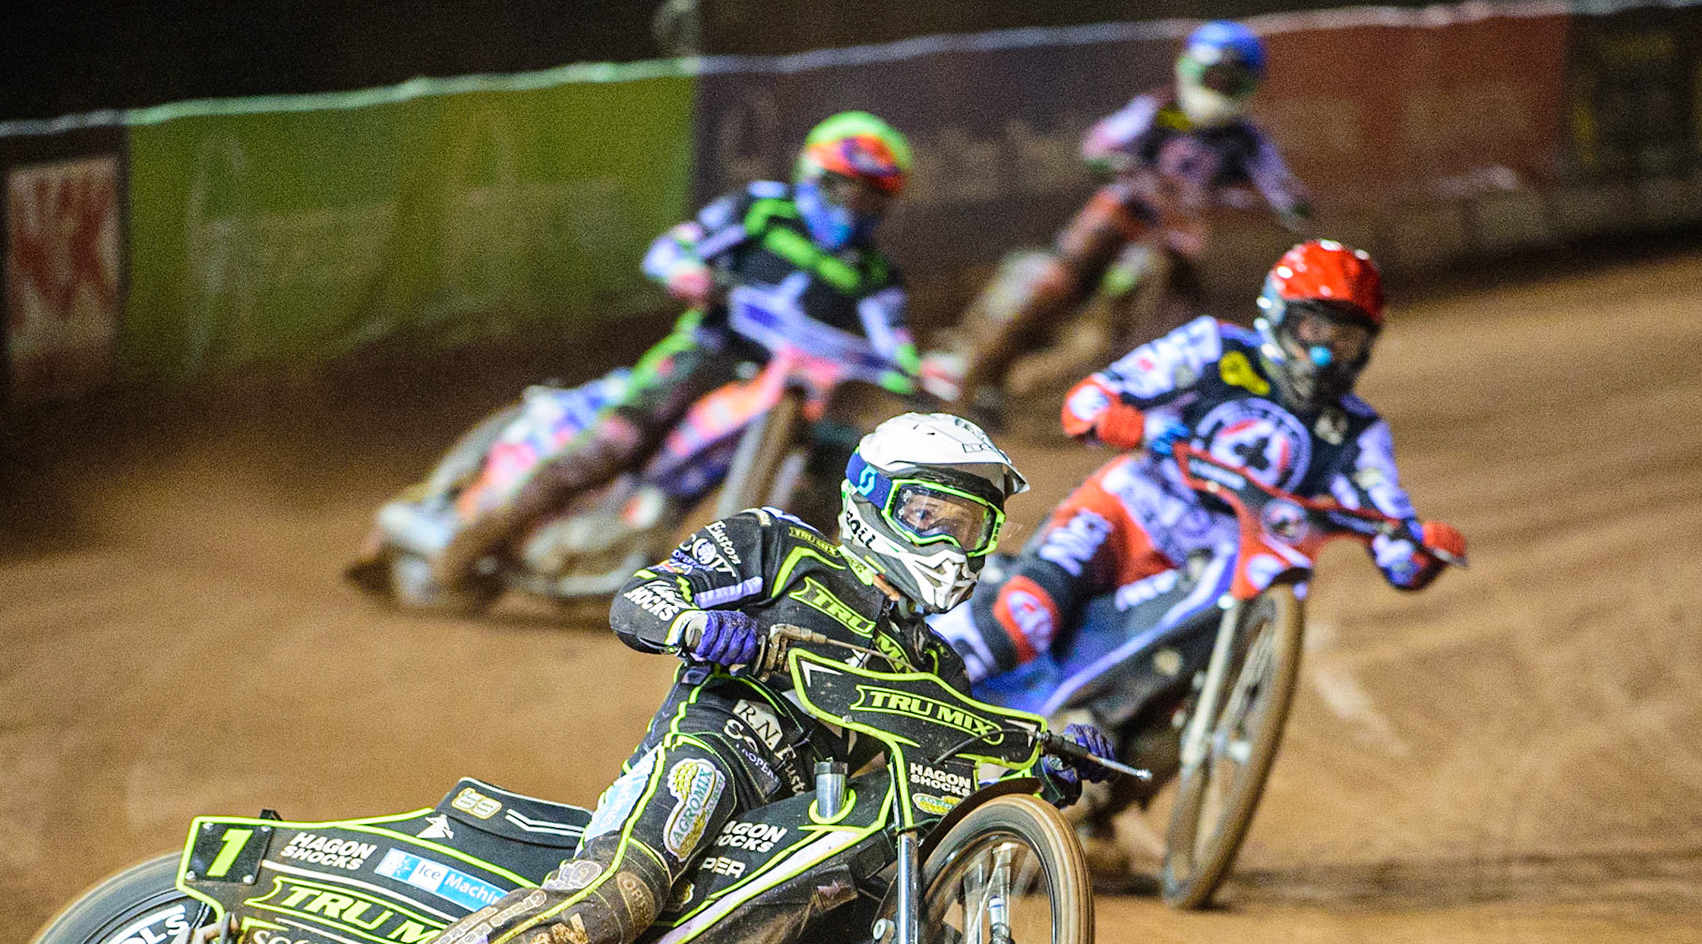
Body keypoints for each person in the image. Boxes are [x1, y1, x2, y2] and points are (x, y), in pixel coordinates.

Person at [287, 412, 1110, 944]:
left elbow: (959, 761)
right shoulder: (780, 547)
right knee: (620, 896)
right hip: (711, 753)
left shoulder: (934, 668)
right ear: (872, 501)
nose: (952, 545)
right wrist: (698, 625)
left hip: (803, 829)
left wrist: (1041, 764)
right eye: (932, 517)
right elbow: (640, 598)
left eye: (970, 528)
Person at [936, 240, 1467, 684]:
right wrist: (1135, 426)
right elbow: (1088, 402)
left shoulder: (1358, 431)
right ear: (1280, 316)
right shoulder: (1214, 347)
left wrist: (1422, 550)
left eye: (1344, 340)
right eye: (1313, 331)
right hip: (1131, 510)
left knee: (1221, 676)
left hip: (1229, 562)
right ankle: (930, 690)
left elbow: (1392, 535)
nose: (1324, 355)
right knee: (1022, 621)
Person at [431, 111, 923, 586]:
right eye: (849, 190)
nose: (856, 207)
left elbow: (896, 344)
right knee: (618, 439)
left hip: (789, 389)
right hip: (710, 352)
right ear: (816, 177)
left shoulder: (875, 272)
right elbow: (675, 247)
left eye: (872, 198)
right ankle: (483, 531)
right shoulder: (762, 209)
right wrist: (687, 271)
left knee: (835, 458)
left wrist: (920, 376)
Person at [954, 20, 1311, 420]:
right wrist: (1135, 173)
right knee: (1053, 285)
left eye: (1232, 82)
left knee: (1168, 316)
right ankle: (981, 377)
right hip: (1119, 221)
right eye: (1214, 78)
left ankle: (1140, 396)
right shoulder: (1158, 108)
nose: (1220, 89)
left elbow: (1289, 198)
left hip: (1175, 244)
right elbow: (1098, 145)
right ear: (1191, 71)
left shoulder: (1248, 139)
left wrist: (1244, 203)